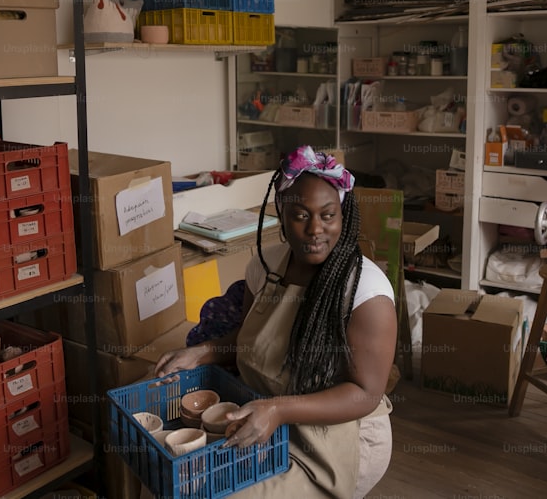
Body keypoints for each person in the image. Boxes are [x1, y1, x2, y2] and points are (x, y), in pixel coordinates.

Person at [155, 145, 398, 498]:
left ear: (343, 217)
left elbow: (365, 394)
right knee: (173, 479)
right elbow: (258, 337)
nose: (316, 229)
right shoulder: (266, 267)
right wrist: (202, 352)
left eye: (328, 215)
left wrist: (279, 411)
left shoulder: (366, 291)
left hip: (337, 438)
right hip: (269, 417)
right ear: (281, 214)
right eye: (301, 215)